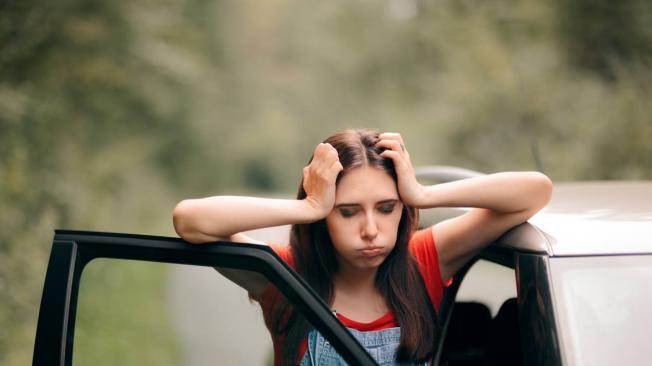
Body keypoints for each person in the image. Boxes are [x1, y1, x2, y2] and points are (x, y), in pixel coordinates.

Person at [172, 128, 552, 366]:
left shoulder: (423, 261)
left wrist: (420, 193)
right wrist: (308, 206)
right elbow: (191, 220)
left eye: (387, 208)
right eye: (348, 212)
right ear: (324, 219)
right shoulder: (287, 277)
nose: (371, 230)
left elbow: (534, 191)